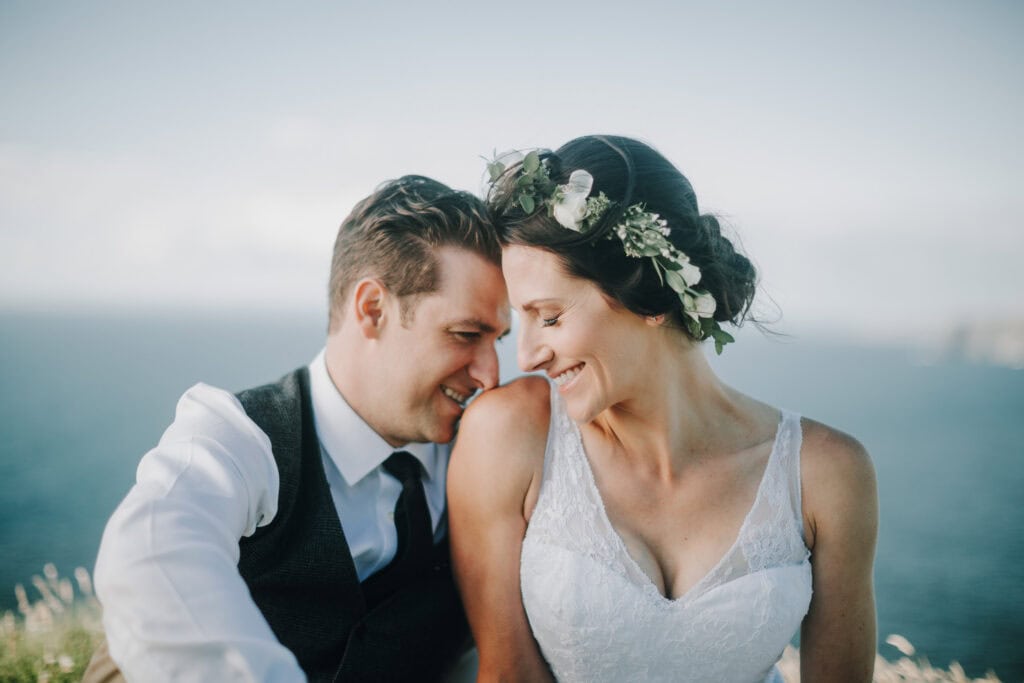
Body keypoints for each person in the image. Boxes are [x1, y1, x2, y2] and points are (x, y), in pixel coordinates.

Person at [447, 136, 878, 682]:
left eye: (549, 317)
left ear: (647, 293)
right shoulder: (510, 434)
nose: (527, 355)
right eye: (521, 319)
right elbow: (508, 675)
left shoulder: (826, 474)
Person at [86, 175, 511, 682]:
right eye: (466, 335)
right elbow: (151, 550)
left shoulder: (484, 457)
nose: (491, 373)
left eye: (499, 341)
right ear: (372, 309)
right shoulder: (239, 437)